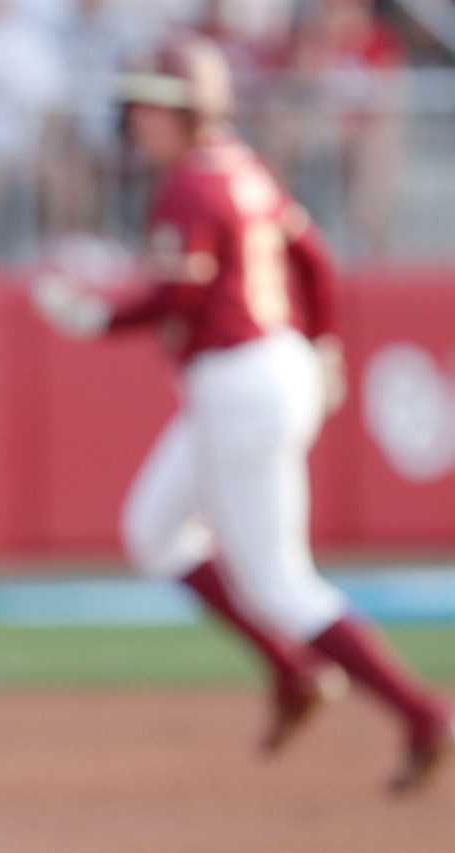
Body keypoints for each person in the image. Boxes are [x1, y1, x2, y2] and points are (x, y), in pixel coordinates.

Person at [30, 33, 452, 793]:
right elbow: (314, 257)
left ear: (191, 110)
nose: (137, 121)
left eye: (153, 108)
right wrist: (323, 344)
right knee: (154, 530)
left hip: (240, 382)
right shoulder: (242, 166)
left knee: (283, 583)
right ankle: (291, 670)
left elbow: (183, 293)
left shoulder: (191, 183)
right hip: (263, 368)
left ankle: (420, 711)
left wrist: (96, 315)